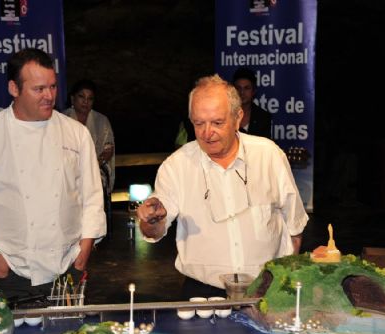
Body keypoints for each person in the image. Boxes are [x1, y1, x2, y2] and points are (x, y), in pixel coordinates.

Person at [0, 48, 106, 303]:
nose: (49, 96)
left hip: (68, 267)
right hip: (10, 271)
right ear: (14, 88)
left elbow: (92, 198)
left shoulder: (76, 133)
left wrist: (83, 254)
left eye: (53, 87)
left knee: (70, 329)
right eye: (39, 89)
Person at [137, 75, 308, 299]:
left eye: (217, 123)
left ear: (238, 118)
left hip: (268, 290)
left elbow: (295, 227)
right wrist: (152, 219)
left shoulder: (269, 156)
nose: (207, 133)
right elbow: (153, 231)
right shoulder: (176, 166)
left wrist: (285, 285)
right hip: (202, 295)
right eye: (199, 123)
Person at [63, 79, 115, 194]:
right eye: (81, 96)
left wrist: (91, 167)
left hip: (95, 170)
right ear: (72, 98)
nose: (85, 101)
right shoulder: (62, 119)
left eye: (90, 98)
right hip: (67, 172)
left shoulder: (101, 121)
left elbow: (108, 150)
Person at [232, 67, 272, 139]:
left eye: (246, 88)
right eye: (238, 88)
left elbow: (265, 144)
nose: (242, 92)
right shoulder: (226, 114)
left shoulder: (263, 117)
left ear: (253, 91)